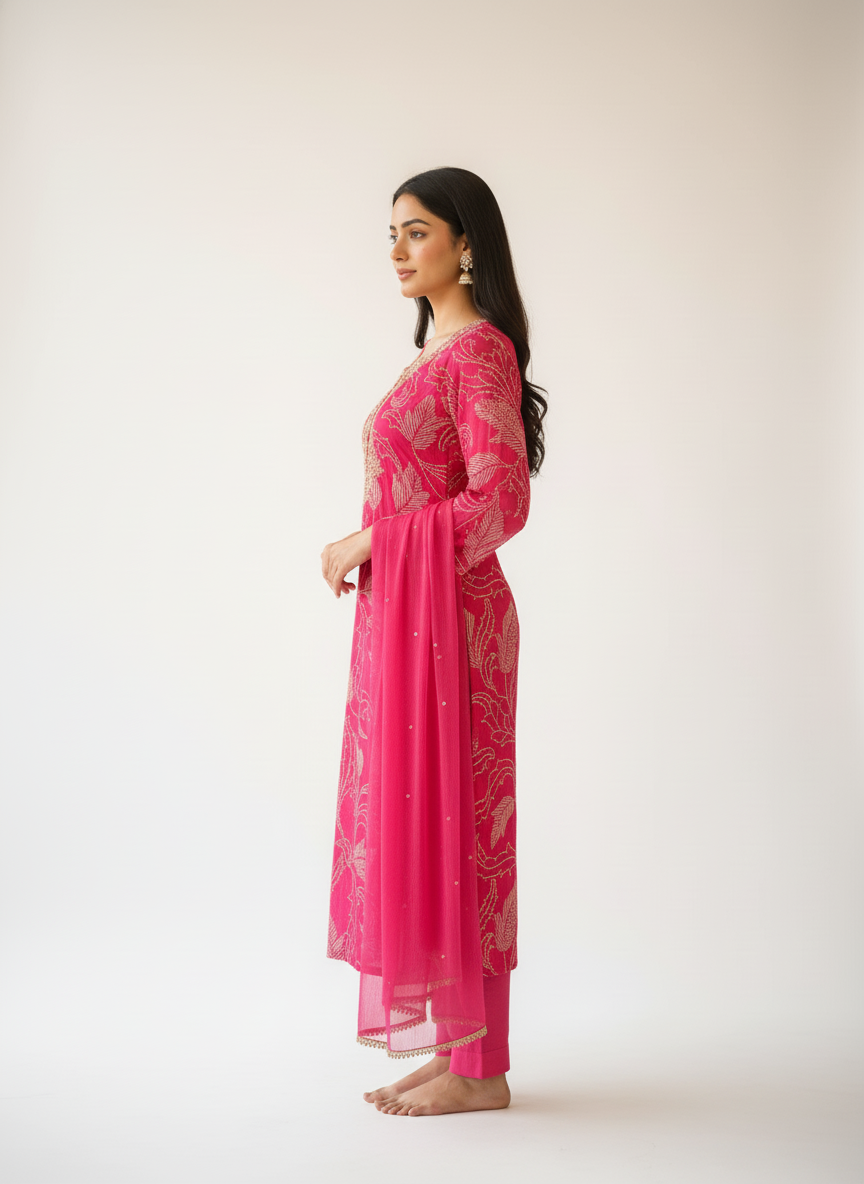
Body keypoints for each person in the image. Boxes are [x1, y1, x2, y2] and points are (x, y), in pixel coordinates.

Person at [321, 167, 547, 1117]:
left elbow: (503, 500)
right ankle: (463, 1051)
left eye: (416, 231)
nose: (398, 251)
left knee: (465, 829)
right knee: (428, 826)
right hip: (415, 623)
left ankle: (481, 1068)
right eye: (392, 234)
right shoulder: (436, 355)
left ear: (466, 244)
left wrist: (374, 541)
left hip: (455, 626)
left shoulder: (479, 352)